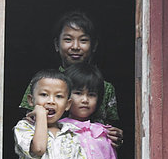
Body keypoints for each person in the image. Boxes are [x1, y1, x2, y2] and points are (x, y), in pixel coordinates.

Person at [20, 11, 123, 148]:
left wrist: (115, 136)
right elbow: (28, 125)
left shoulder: (105, 88)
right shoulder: (42, 82)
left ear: (94, 46)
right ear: (57, 44)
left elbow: (111, 129)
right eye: (68, 39)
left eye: (83, 40)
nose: (75, 47)